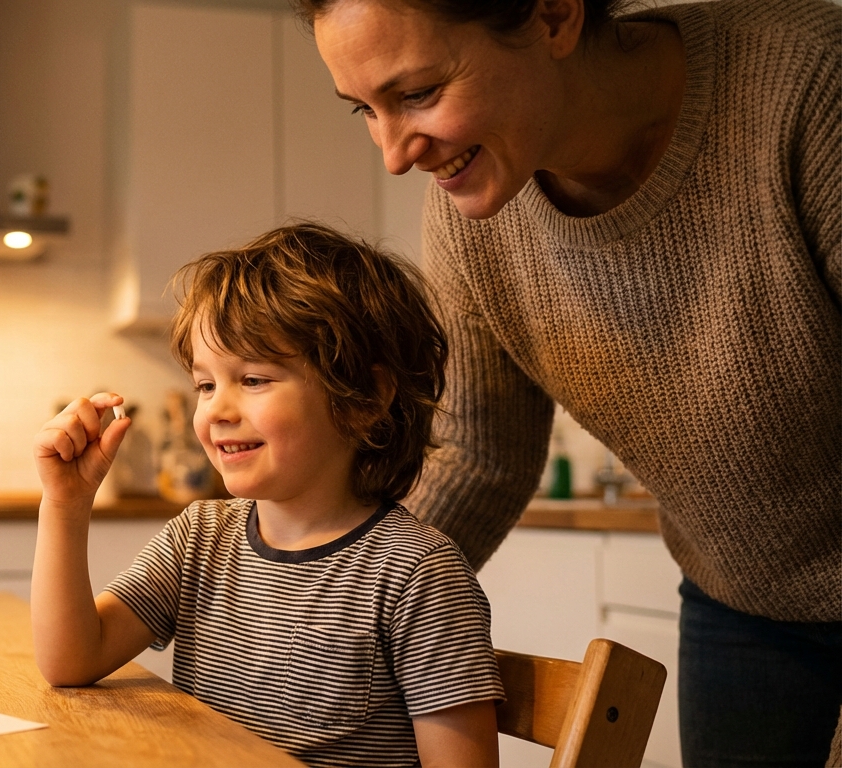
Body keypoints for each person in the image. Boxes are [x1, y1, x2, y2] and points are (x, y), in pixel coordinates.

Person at [296, 0, 842, 764]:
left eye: (418, 94)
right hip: (740, 596)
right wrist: (331, 614)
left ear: (554, 16)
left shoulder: (812, 88)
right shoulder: (470, 220)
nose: (392, 153)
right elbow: (478, 458)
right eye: (365, 108)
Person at [30, 223, 504, 767]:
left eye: (253, 379)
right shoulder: (199, 539)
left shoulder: (416, 572)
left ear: (366, 398)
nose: (217, 411)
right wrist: (65, 504)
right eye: (205, 385)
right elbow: (71, 659)